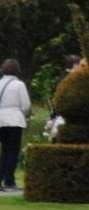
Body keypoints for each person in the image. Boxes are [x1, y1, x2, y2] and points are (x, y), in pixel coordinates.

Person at [0, 59, 31, 194]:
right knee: (12, 151)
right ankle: (9, 180)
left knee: (3, 151)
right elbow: (26, 105)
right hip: (14, 119)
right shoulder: (19, 85)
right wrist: (22, 114)